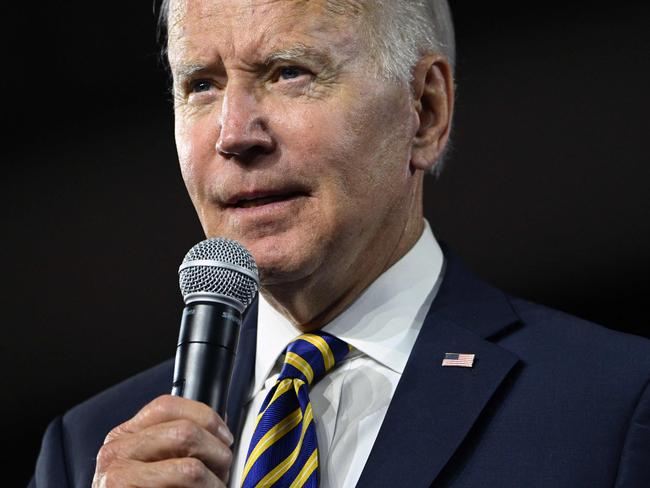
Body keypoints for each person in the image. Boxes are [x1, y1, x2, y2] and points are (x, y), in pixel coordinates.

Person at [30, 0, 650, 487]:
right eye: (201, 85)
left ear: (425, 110)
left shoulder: (612, 407)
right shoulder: (84, 452)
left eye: (288, 72)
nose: (235, 134)